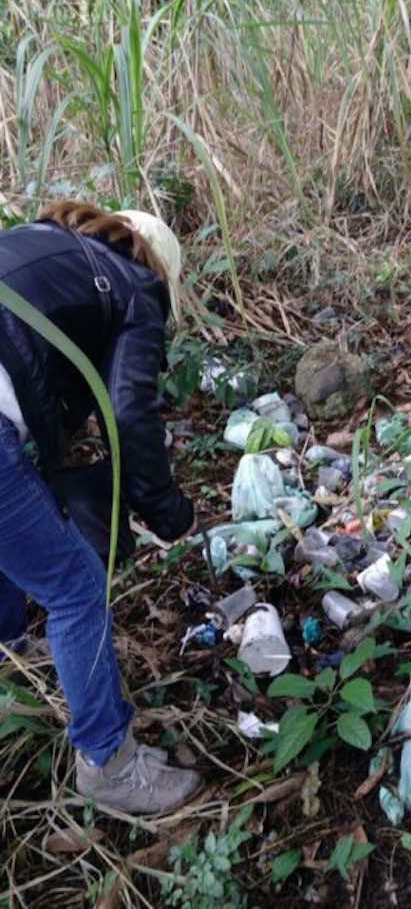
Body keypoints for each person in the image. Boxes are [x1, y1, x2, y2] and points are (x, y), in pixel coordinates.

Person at [0, 201, 202, 813]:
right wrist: (168, 513)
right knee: (77, 587)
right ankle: (107, 761)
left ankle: (9, 651)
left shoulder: (40, 242)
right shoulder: (136, 287)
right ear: (156, 264)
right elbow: (129, 412)